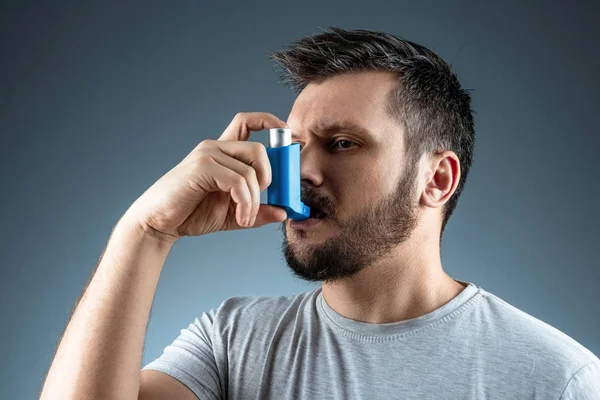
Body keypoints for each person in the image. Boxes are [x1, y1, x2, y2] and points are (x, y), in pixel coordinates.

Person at [40, 27, 600, 399]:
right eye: (294, 144)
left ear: (437, 179)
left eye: (342, 144)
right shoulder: (233, 342)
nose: (302, 170)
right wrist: (147, 232)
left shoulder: (556, 379)